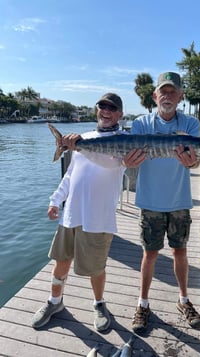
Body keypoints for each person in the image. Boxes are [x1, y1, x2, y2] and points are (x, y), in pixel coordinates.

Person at [32, 93, 128, 332]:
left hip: (98, 218)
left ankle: (99, 304)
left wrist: (81, 147)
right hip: (71, 214)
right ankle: (55, 302)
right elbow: (70, 174)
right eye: (101, 106)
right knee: (61, 261)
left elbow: (112, 164)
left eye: (111, 108)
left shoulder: (126, 140)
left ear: (120, 114)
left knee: (96, 267)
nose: (105, 111)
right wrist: (55, 200)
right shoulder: (84, 139)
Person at [122, 72, 200, 332]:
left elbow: (197, 157)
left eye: (173, 92)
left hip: (179, 200)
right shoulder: (141, 124)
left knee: (180, 252)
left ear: (180, 97)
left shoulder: (190, 124)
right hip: (150, 201)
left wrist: (196, 160)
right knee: (150, 253)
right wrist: (127, 162)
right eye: (163, 92)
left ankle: (183, 300)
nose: (167, 96)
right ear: (155, 96)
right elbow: (129, 157)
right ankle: (142, 304)